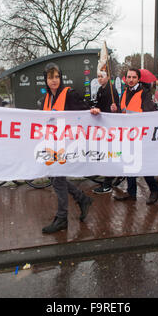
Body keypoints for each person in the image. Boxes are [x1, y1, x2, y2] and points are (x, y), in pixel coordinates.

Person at [41, 63, 93, 234]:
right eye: (50, 77)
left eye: (56, 76)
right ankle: (82, 198)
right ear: (46, 80)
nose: (54, 80)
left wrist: (94, 111)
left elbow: (85, 110)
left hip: (66, 145)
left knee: (57, 180)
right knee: (57, 179)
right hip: (52, 145)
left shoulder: (68, 94)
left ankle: (62, 218)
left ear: (60, 78)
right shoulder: (47, 98)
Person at [112, 68, 158, 205]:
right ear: (125, 79)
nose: (131, 79)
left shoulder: (144, 94)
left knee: (142, 165)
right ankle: (131, 192)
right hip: (127, 135)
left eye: (134, 77)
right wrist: (115, 111)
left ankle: (155, 190)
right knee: (129, 164)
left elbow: (148, 112)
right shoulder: (124, 94)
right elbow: (122, 113)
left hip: (140, 135)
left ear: (138, 79)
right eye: (129, 77)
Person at [91, 70, 122, 194]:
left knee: (109, 155)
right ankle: (113, 177)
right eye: (98, 76)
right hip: (103, 126)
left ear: (108, 77)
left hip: (109, 127)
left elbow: (114, 108)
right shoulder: (100, 89)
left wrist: (114, 110)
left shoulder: (111, 90)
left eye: (101, 76)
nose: (99, 79)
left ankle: (107, 184)